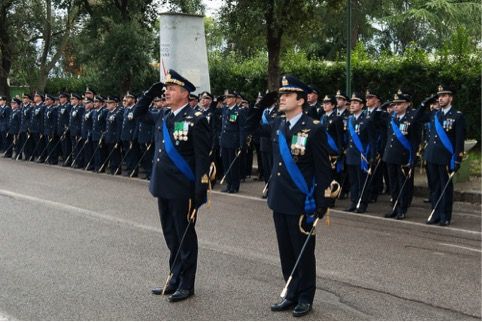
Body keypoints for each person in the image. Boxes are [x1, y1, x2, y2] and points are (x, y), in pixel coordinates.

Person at [243, 75, 332, 317]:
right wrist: (260, 104)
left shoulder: (314, 129)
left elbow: (323, 169)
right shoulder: (277, 125)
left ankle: (305, 297)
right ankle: (291, 292)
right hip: (279, 198)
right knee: (286, 251)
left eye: (287, 95)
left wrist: (322, 202)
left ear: (301, 100)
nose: (282, 98)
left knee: (303, 252)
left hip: (302, 202)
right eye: (281, 95)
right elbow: (249, 127)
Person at [133, 69, 211, 302]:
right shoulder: (163, 116)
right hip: (162, 186)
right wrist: (150, 93)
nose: (166, 92)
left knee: (185, 237)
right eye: (166, 89)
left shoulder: (197, 119)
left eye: (172, 89)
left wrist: (201, 189)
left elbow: (202, 158)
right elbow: (138, 114)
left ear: (185, 93)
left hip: (183, 189)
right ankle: (173, 278)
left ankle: (187, 284)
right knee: (171, 236)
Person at [424, 85, 465, 226]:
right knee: (434, 187)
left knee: (445, 188)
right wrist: (426, 102)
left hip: (446, 158)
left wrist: (458, 158)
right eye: (439, 96)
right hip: (431, 156)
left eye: (444, 95)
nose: (440, 98)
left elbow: (459, 140)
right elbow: (417, 117)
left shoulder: (457, 116)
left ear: (451, 98)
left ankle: (445, 216)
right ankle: (435, 212)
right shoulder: (435, 114)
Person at [344, 92, 376, 213]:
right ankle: (353, 202)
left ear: (362, 105)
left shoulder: (367, 120)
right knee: (353, 181)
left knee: (362, 181)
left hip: (363, 156)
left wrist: (372, 156)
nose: (352, 105)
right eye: (351, 103)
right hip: (351, 154)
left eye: (355, 103)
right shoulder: (350, 119)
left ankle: (362, 204)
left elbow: (372, 140)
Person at [220, 90, 243, 193]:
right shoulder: (225, 109)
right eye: (226, 98)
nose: (227, 100)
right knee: (226, 164)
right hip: (224, 141)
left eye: (229, 98)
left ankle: (235, 185)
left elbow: (241, 128)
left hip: (234, 142)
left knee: (233, 165)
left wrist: (241, 143)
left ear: (234, 99)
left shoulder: (239, 111)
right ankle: (229, 184)